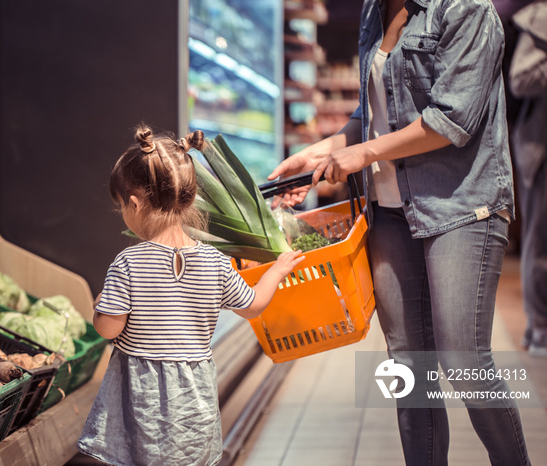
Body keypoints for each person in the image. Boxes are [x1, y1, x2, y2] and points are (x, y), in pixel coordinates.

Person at [268, 0, 532, 464]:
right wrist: (318, 153)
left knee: (462, 361)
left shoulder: (465, 9)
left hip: (462, 206)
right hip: (389, 212)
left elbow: (454, 120)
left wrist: (365, 154)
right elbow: (371, 114)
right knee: (407, 366)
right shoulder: (375, 10)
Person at [76, 125, 304, 465]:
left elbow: (109, 328)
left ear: (135, 204)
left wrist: (100, 308)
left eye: (122, 204)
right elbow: (253, 306)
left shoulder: (128, 262)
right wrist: (277, 270)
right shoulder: (215, 260)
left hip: (143, 399)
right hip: (194, 399)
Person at [508, 0, 547, 357]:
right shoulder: (540, 19)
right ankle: (540, 327)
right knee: (540, 241)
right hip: (541, 148)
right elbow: (521, 79)